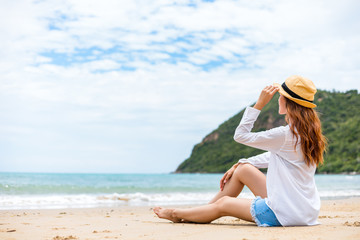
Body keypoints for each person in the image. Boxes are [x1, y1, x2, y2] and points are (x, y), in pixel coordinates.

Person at [154, 75, 327, 227]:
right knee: (243, 169)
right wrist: (242, 162)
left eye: (280, 96)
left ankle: (177, 214)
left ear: (288, 102)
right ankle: (202, 212)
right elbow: (277, 156)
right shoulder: (309, 134)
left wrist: (259, 104)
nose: (278, 99)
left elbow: (240, 135)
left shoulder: (285, 134)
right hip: (305, 211)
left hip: (284, 215)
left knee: (224, 204)